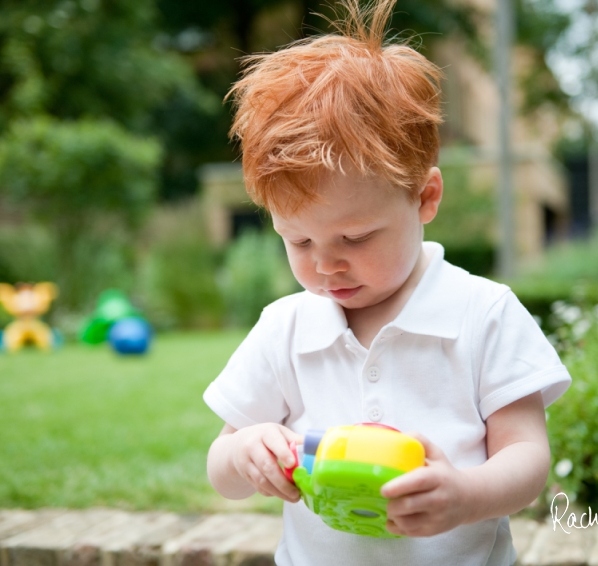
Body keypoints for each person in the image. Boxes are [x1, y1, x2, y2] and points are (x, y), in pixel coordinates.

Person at [204, 1, 571, 564]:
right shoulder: (286, 327)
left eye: (353, 239)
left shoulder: (482, 312)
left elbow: (528, 460)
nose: (325, 266)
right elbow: (221, 470)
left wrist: (466, 496)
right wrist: (246, 452)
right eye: (298, 241)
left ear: (425, 198)